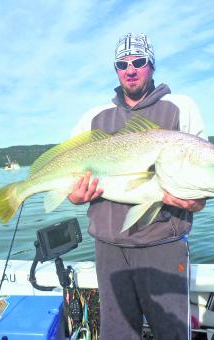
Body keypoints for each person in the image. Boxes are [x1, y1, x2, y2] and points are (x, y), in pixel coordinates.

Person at [68, 33, 207, 340]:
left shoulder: (181, 107)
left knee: (172, 331)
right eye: (122, 63)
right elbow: (71, 183)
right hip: (109, 250)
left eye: (139, 61)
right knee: (116, 334)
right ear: (116, 70)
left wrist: (194, 202)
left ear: (152, 66)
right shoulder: (94, 117)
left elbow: (202, 178)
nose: (130, 69)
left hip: (164, 247)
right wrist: (74, 196)